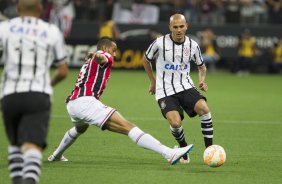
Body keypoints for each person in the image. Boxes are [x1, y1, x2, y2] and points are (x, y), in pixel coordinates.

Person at [48, 37, 194, 165]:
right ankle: (169, 153)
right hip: (86, 102)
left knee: (81, 128)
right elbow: (103, 58)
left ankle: (56, 155)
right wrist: (97, 55)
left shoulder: (88, 62)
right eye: (114, 50)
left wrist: (94, 56)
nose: (115, 53)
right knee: (128, 127)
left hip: (73, 103)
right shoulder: (103, 54)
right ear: (105, 48)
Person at [0, 0, 68, 183]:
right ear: (40, 9)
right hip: (38, 93)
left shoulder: (4, 28)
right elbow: (63, 70)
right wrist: (49, 84)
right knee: (32, 146)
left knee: (15, 145)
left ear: (18, 8)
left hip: (9, 94)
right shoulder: (52, 31)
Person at [142, 14, 214, 164]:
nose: (179, 30)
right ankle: (183, 148)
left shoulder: (193, 45)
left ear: (186, 26)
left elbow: (202, 67)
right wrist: (152, 81)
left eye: (181, 26)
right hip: (165, 91)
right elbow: (145, 59)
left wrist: (202, 81)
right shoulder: (159, 43)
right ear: (170, 28)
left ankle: (210, 150)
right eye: (175, 27)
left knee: (204, 108)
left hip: (186, 86)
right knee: (175, 123)